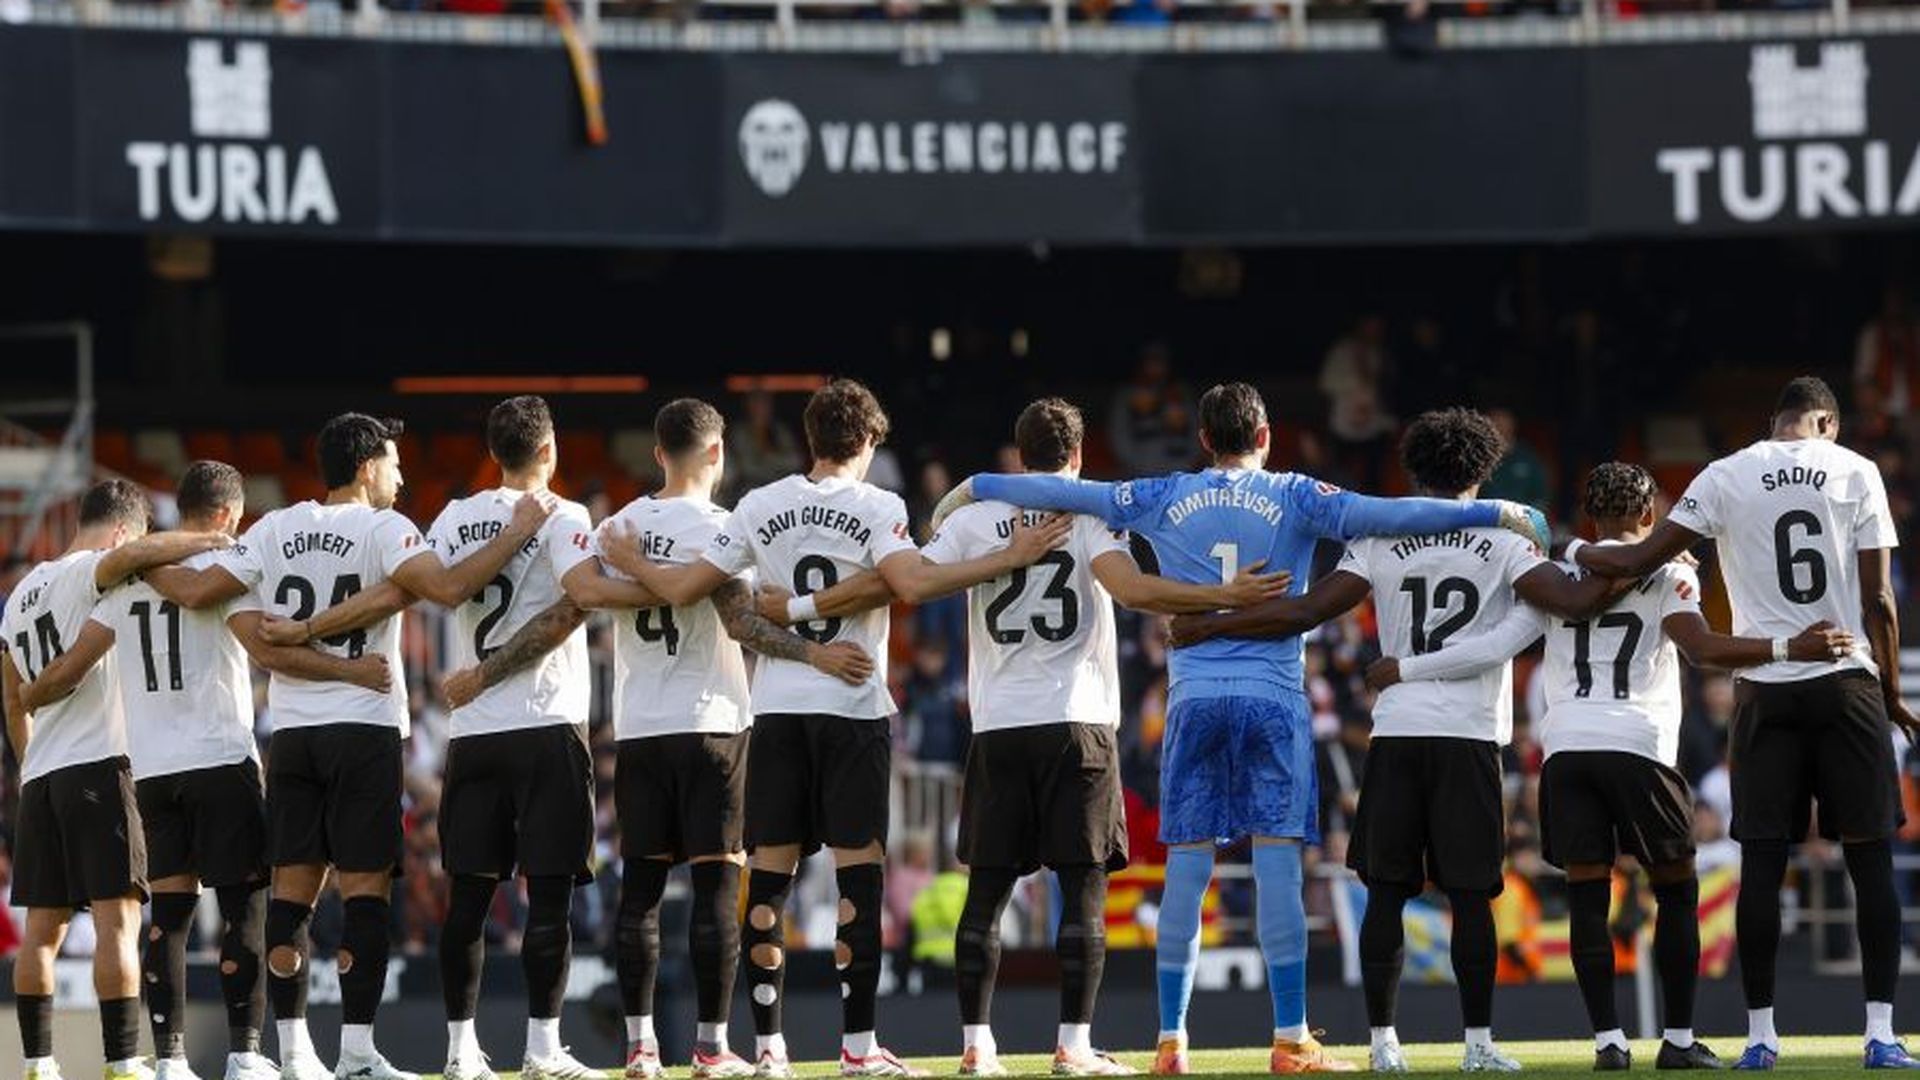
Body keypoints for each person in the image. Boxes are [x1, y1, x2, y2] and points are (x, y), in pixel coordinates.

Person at [930, 386, 1551, 1076]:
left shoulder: (1159, 494)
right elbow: (1392, 513)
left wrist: (975, 486)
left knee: (1188, 870)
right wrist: (1501, 510)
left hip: (1193, 697)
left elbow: (1075, 494)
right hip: (1272, 695)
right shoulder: (1299, 495)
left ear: (1202, 439)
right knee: (1277, 865)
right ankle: (1290, 1040)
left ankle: (1171, 1040)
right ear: (1265, 436)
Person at [758, 398, 1291, 1077]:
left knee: (985, 895)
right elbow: (1132, 593)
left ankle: (977, 1047)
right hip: (1078, 720)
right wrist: (1225, 597)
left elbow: (911, 581)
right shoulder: (1092, 511)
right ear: (1076, 455)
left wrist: (804, 607)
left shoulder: (974, 518)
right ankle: (1073, 1045)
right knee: (1083, 888)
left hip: (1000, 725)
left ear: (1018, 454)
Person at [600, 379, 1065, 1078]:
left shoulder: (758, 505)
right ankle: (857, 1048)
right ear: (871, 443)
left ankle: (769, 1051)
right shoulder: (881, 506)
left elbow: (724, 600)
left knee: (769, 882)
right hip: (852, 707)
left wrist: (779, 606)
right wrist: (1007, 557)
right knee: (859, 885)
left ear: (809, 440)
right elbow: (909, 582)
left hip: (778, 709)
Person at [1163, 407, 1620, 1073]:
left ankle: (1383, 1045)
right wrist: (1606, 554)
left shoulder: (1380, 537)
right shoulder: (1504, 535)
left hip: (1398, 732)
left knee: (1385, 891)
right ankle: (1479, 1046)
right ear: (1483, 469)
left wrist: (1209, 625)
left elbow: (1307, 610)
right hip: (1467, 737)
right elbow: (1574, 604)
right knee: (1471, 897)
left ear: (1413, 468)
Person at [1365, 461, 1856, 1071]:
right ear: (1650, 516)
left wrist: (1407, 668)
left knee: (1587, 894)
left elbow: (1500, 643)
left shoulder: (1550, 575)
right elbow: (1700, 649)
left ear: (1591, 513)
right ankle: (1677, 1040)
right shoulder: (1672, 569)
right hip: (1640, 746)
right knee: (1675, 890)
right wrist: (1789, 647)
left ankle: (1608, 1044)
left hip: (1568, 749)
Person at [145, 412, 554, 1080]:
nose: (402, 474)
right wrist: (516, 533)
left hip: (296, 736)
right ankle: (358, 1054)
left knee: (292, 897)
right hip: (364, 728)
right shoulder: (386, 529)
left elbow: (201, 594)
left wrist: (131, 555)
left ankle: (296, 1054)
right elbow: (450, 588)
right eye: (393, 463)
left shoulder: (273, 528)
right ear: (366, 467)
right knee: (366, 895)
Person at [1570, 376, 1920, 1070]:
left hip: (1764, 688)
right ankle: (1879, 1033)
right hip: (1845, 677)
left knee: (1762, 863)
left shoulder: (1724, 474)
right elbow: (1877, 596)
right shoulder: (1856, 470)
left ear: (1775, 420)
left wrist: (1575, 551)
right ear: (1825, 421)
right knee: (1869, 857)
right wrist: (1887, 688)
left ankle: (1760, 1038)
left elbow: (1640, 558)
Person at [16, 462, 391, 1080]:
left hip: (152, 771)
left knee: (168, 919)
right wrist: (348, 668)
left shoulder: (126, 585)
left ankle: (169, 1060)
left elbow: (74, 663)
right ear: (224, 516)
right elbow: (265, 647)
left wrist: (34, 693)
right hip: (219, 758)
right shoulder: (227, 572)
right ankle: (245, 1053)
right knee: (243, 907)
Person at [588, 398, 875, 1080]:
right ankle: (713, 1047)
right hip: (714, 722)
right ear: (716, 453)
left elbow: (589, 597)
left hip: (640, 728)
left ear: (658, 452)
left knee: (641, 893)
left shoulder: (618, 528)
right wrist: (815, 656)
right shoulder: (721, 527)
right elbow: (745, 626)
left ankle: (639, 1048)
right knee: (718, 890)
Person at [2, 479, 235, 1080]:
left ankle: (37, 1064)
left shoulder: (22, 591)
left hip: (42, 778)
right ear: (126, 531)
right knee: (119, 922)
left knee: (41, 933)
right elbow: (131, 560)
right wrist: (211, 536)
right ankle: (123, 1060)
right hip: (99, 766)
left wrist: (29, 763)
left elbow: (10, 697)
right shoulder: (90, 573)